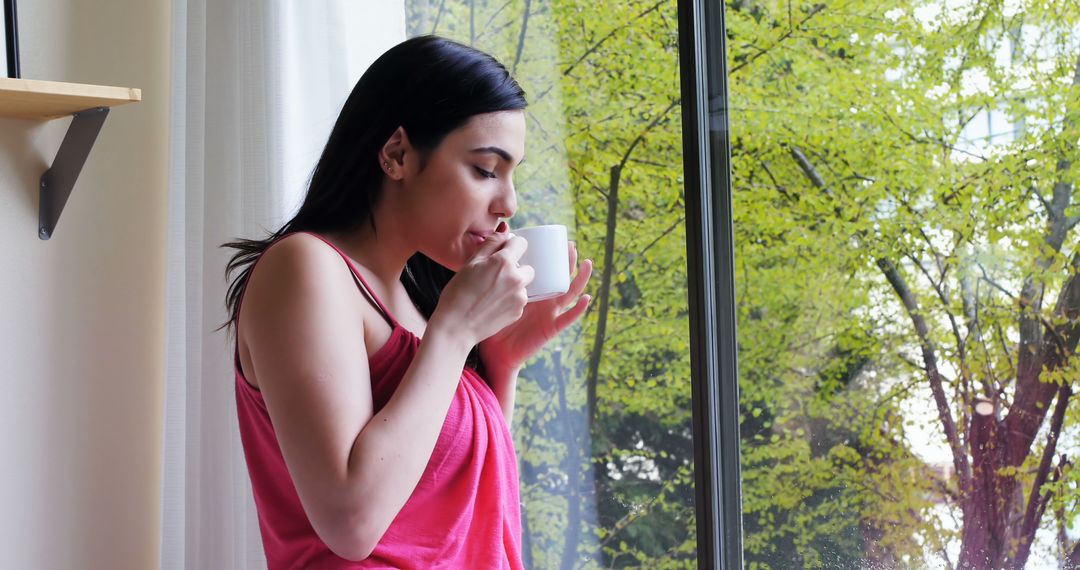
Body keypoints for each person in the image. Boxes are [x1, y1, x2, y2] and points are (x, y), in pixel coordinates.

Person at [222, 35, 593, 569]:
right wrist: (454, 333)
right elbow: (351, 523)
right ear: (397, 154)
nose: (508, 202)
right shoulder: (305, 268)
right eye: (487, 170)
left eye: (513, 175)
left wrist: (499, 363)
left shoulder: (419, 300)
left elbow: (450, 504)